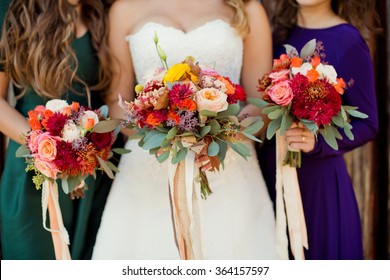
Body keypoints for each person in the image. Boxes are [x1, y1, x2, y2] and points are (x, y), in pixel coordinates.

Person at [92, 0, 277, 259]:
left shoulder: (247, 8)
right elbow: (116, 104)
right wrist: (163, 131)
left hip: (227, 170)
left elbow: (261, 104)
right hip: (148, 176)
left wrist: (217, 135)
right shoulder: (125, 9)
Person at [0, 0, 122, 259]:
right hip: (32, 171)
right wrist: (46, 147)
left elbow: (114, 99)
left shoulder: (107, 12)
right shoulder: (12, 11)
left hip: (92, 173)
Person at [259, 0, 379, 259]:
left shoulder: (347, 41)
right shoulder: (277, 34)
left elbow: (368, 124)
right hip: (271, 173)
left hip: (318, 182)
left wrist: (317, 142)